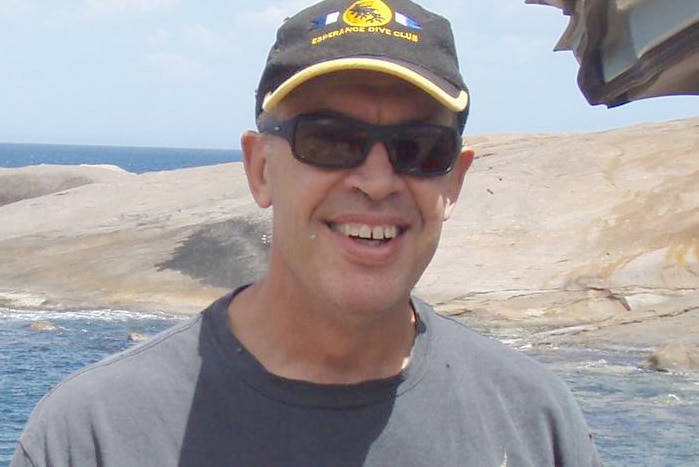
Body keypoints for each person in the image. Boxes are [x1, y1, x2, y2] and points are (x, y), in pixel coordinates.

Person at [12, 0, 601, 465]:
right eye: (329, 141)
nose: (376, 180)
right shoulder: (93, 435)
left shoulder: (535, 423)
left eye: (419, 148)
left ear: (454, 182)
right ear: (261, 169)